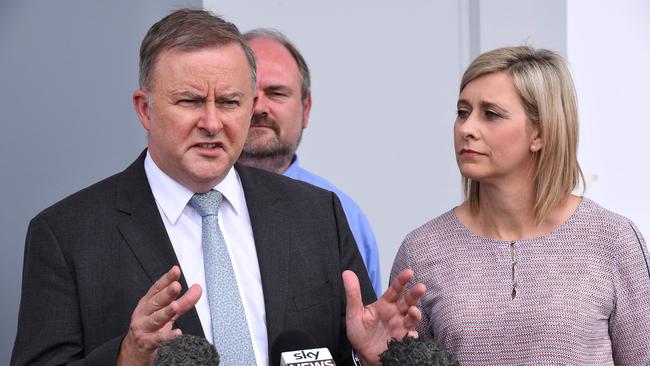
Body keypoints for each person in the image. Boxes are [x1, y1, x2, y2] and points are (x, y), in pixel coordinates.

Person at [11, 9, 401, 366]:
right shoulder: (67, 235)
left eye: (230, 102)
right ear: (144, 109)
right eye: (190, 101)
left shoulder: (318, 214)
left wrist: (371, 359)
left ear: (250, 107)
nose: (212, 123)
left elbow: (358, 344)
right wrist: (126, 357)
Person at [389, 46, 650, 364]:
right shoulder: (422, 249)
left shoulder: (612, 239)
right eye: (462, 112)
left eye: (491, 114)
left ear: (539, 132)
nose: (467, 128)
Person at [237, 28, 382, 295]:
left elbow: (366, 328)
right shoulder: (196, 205)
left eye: (277, 93)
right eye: (246, 94)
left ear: (306, 109)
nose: (259, 108)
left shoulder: (343, 215)